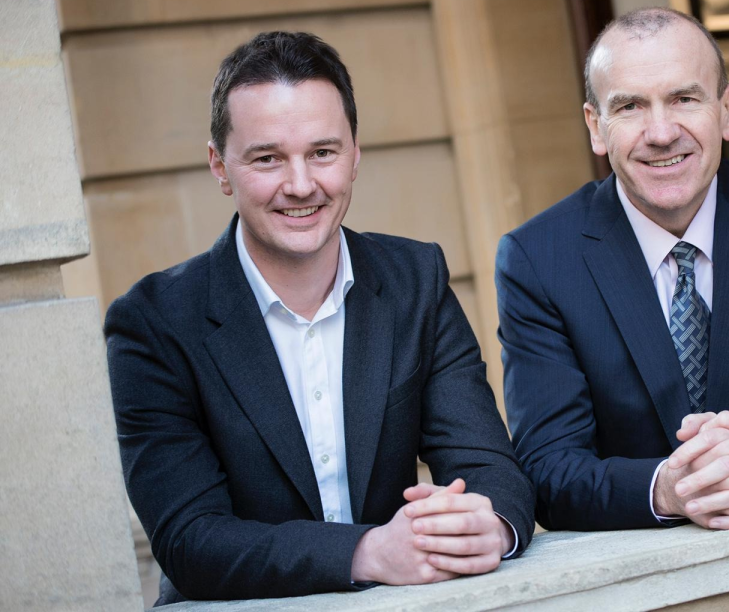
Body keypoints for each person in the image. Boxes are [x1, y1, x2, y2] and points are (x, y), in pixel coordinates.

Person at [105, 31, 534, 604]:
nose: (301, 184)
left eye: (322, 152)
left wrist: (492, 526)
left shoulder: (415, 280)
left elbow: (489, 466)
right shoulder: (153, 324)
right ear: (220, 166)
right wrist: (366, 553)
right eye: (267, 158)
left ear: (354, 155)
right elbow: (191, 540)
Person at [495, 8, 729, 532]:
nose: (661, 132)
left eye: (684, 99)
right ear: (595, 126)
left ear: (726, 110)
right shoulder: (537, 260)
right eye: (629, 106)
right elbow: (549, 468)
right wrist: (669, 489)